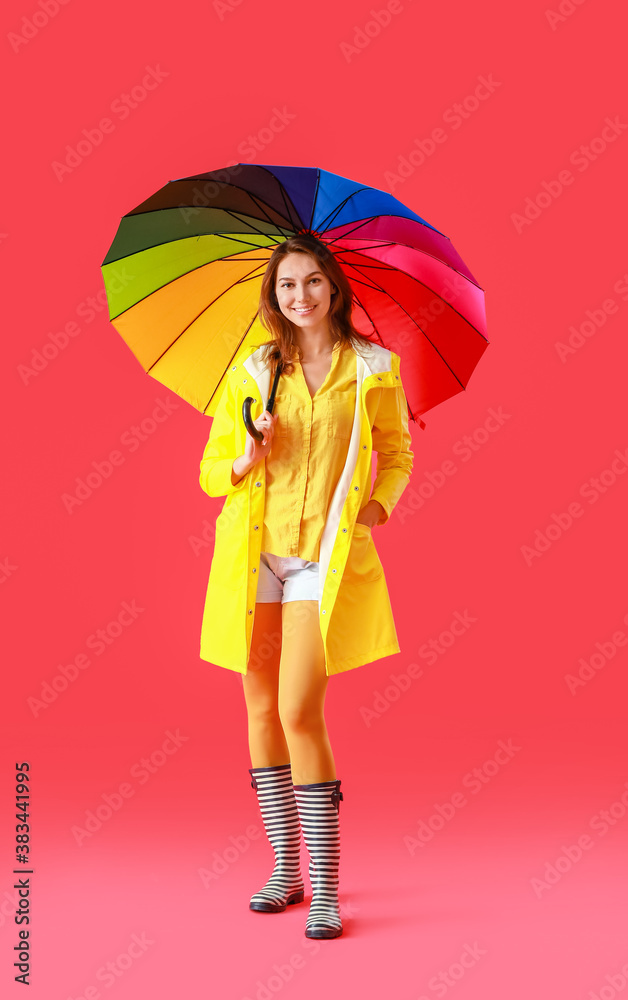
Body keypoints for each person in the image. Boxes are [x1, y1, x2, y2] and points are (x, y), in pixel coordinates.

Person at [198, 233, 414, 939]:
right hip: (256, 557)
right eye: (288, 285)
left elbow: (398, 452)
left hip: (322, 560)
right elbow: (208, 475)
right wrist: (244, 454)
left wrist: (379, 505)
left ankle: (325, 889)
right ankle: (285, 870)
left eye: (313, 283)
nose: (301, 297)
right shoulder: (255, 371)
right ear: (275, 294)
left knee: (299, 711)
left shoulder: (374, 368)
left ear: (335, 289)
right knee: (260, 713)